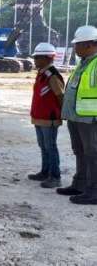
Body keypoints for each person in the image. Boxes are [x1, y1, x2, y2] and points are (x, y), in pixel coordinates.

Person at [58, 25, 97, 204]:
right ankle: (80, 184)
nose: (75, 48)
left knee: (92, 154)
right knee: (80, 151)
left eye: (77, 45)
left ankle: (93, 191)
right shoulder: (83, 63)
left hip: (90, 119)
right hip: (77, 117)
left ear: (89, 45)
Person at [27, 43, 65, 189]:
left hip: (49, 118)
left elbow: (60, 96)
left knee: (50, 147)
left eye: (37, 58)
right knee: (43, 146)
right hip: (40, 117)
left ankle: (55, 176)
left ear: (46, 58)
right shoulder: (42, 73)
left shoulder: (52, 75)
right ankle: (45, 172)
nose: (35, 60)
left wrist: (62, 114)